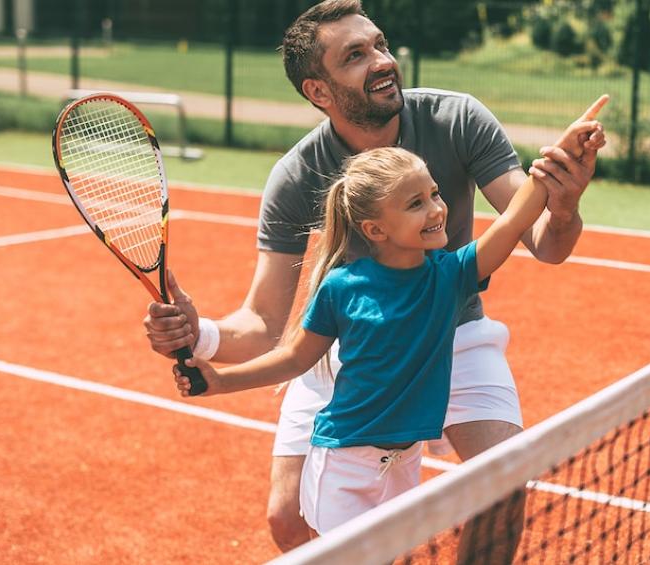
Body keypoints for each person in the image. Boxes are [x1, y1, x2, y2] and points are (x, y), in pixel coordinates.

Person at [144, 0, 606, 556]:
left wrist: (563, 205)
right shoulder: (296, 176)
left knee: (502, 483)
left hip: (452, 333)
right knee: (288, 521)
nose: (382, 60)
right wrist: (203, 338)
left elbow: (543, 244)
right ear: (319, 91)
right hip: (346, 347)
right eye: (356, 56)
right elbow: (267, 323)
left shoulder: (458, 120)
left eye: (380, 45)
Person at [174, 133, 601, 536]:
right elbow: (294, 359)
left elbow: (511, 222)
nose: (436, 209)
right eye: (415, 203)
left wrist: (552, 164)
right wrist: (221, 381)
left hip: (403, 462)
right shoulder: (341, 288)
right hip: (344, 466)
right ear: (375, 230)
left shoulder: (451, 275)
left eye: (434, 193)